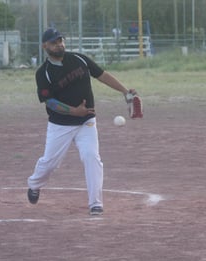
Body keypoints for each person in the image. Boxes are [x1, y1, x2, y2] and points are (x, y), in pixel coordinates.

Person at [27, 28, 137, 215]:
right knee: (50, 163)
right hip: (60, 125)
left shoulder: (79, 59)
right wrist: (73, 111)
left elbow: (102, 75)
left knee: (91, 157)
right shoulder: (43, 73)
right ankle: (34, 184)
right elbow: (50, 102)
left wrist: (125, 91)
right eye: (54, 42)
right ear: (45, 46)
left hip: (86, 122)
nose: (59, 44)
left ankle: (96, 204)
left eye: (61, 40)